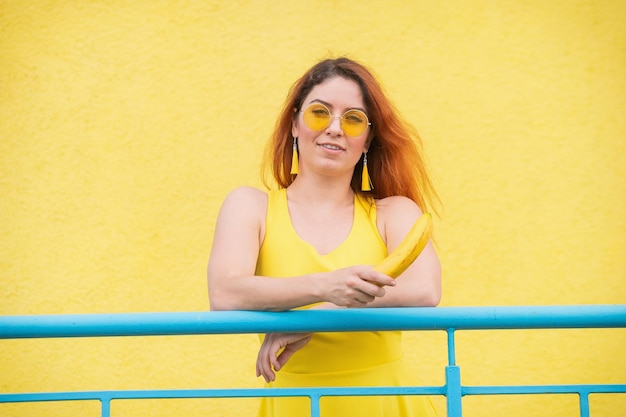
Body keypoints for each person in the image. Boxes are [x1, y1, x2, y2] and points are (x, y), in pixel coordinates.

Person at [207, 57, 441, 417]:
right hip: (293, 406)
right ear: (294, 125)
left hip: (386, 404)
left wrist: (316, 316)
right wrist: (325, 285)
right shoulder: (249, 206)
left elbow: (424, 290)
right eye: (320, 113)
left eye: (353, 119)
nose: (335, 128)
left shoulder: (394, 211)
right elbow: (224, 293)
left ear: (367, 141)